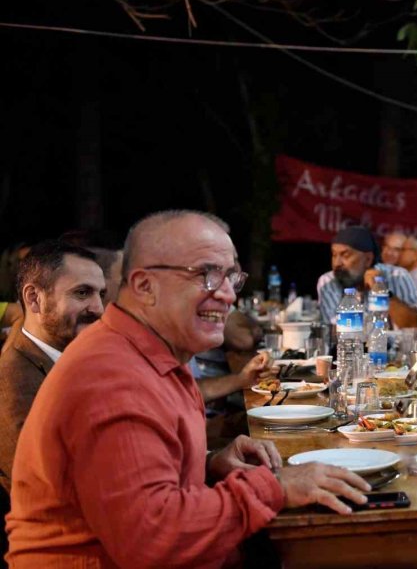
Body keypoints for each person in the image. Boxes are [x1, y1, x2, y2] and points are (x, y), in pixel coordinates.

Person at [6, 210, 370, 567]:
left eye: (231, 277)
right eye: (207, 274)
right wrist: (274, 487)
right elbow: (153, 541)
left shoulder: (149, 352)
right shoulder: (112, 376)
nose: (227, 295)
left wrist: (209, 464)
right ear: (145, 286)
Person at [0, 240, 106, 492]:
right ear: (34, 298)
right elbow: (46, 484)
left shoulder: (85, 360)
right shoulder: (10, 383)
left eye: (101, 294)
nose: (99, 309)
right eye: (82, 293)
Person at [317, 225, 417, 330]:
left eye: (345, 255)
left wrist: (383, 292)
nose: (337, 263)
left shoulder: (398, 276)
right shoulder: (328, 281)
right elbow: (334, 331)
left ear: (368, 259)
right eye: (334, 255)